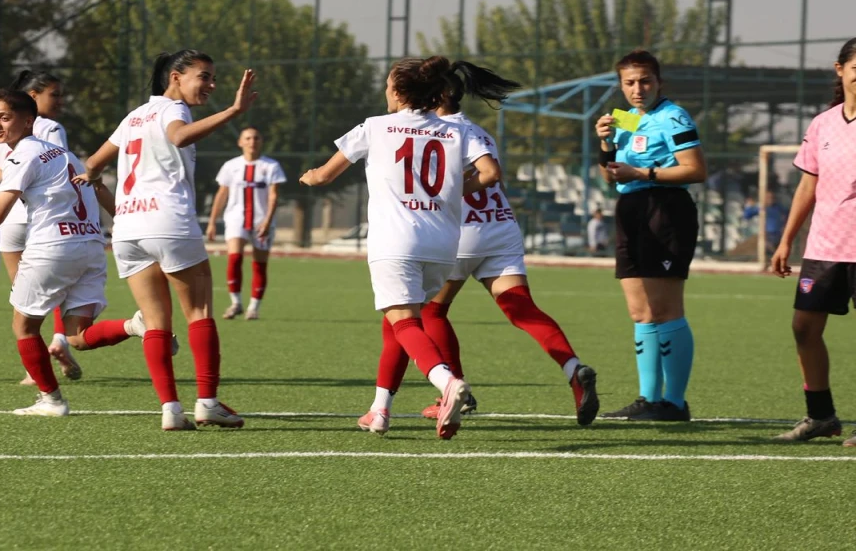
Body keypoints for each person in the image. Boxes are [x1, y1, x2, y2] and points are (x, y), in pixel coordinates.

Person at [358, 76, 599, 432]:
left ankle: (453, 391)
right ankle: (572, 368)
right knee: (521, 308)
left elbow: (456, 179)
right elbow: (493, 176)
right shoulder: (479, 131)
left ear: (438, 95)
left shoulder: (439, 131)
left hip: (460, 230)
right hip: (500, 225)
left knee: (426, 312)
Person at [300, 57, 512, 439]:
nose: (384, 90)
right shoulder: (455, 130)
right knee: (397, 324)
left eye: (387, 85)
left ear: (398, 92)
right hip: (443, 245)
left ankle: (448, 382)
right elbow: (489, 173)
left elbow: (326, 175)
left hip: (396, 242)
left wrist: (309, 177)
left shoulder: (375, 127)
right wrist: (454, 192)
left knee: (405, 323)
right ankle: (380, 409)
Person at [79, 50, 254, 431]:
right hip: (168, 221)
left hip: (128, 228)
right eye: (204, 76)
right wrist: (233, 111)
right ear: (176, 77)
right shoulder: (174, 110)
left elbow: (91, 165)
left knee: (155, 322)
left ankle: (171, 409)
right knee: (199, 313)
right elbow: (178, 136)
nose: (211, 85)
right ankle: (207, 402)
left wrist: (97, 185)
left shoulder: (134, 116)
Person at [0, 90, 139, 416]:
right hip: (90, 247)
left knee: (24, 327)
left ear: (29, 120)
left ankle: (52, 400)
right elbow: (98, 188)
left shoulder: (22, 155)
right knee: (77, 336)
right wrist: (124, 221)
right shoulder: (67, 155)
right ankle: (136, 325)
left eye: (5, 118)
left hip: (51, 248)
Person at [595, 50, 706, 422]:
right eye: (629, 82)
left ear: (659, 82)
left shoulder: (674, 117)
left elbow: (696, 170)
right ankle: (648, 398)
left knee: (666, 310)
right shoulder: (626, 118)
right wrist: (605, 145)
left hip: (666, 210)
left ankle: (674, 403)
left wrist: (642, 174)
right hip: (631, 210)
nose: (637, 89)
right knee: (640, 312)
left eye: (645, 81)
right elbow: (611, 175)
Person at [0, 70, 80, 384]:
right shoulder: (49, 128)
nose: (60, 101)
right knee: (56, 289)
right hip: (41, 218)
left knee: (24, 296)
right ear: (33, 98)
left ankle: (33, 369)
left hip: (11, 218)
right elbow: (59, 169)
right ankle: (60, 341)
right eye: (54, 94)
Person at [771, 37, 856, 445]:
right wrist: (786, 240)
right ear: (841, 70)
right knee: (803, 328)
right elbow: (808, 186)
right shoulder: (822, 123)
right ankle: (821, 416)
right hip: (824, 246)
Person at [206, 127, 287, 320]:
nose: (252, 141)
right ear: (240, 142)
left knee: (259, 264)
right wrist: (212, 222)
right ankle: (236, 303)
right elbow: (221, 194)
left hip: (261, 221)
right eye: (248, 138)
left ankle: (253, 307)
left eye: (256, 138)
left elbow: (274, 196)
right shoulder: (231, 166)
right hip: (236, 219)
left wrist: (267, 221)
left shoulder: (271, 166)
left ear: (261, 141)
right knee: (234, 258)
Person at [744, 189, 787, 254]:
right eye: (768, 197)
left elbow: (787, 214)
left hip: (778, 234)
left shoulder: (778, 207)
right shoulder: (762, 208)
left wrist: (784, 225)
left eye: (772, 197)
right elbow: (747, 215)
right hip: (767, 235)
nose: (770, 199)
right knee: (769, 251)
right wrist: (749, 206)